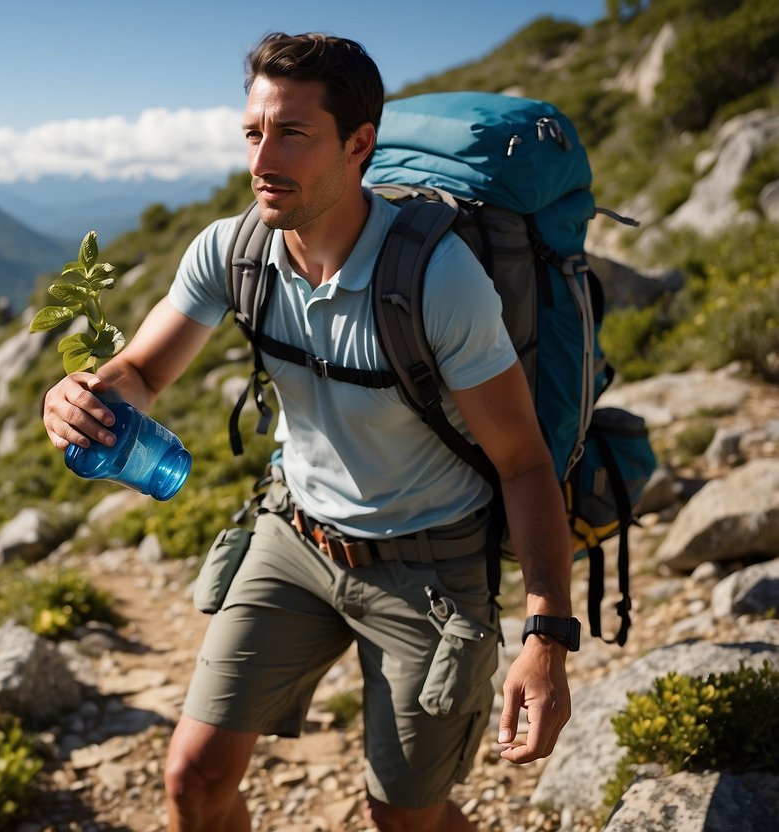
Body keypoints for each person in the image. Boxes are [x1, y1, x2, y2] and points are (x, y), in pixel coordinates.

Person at [42, 32, 574, 832]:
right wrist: (78, 395)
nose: (262, 158)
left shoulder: (438, 279)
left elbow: (524, 465)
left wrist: (545, 637)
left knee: (403, 819)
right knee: (193, 777)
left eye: (292, 133)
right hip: (294, 539)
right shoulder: (232, 252)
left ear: (358, 144)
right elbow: (142, 375)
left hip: (426, 571)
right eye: (254, 132)